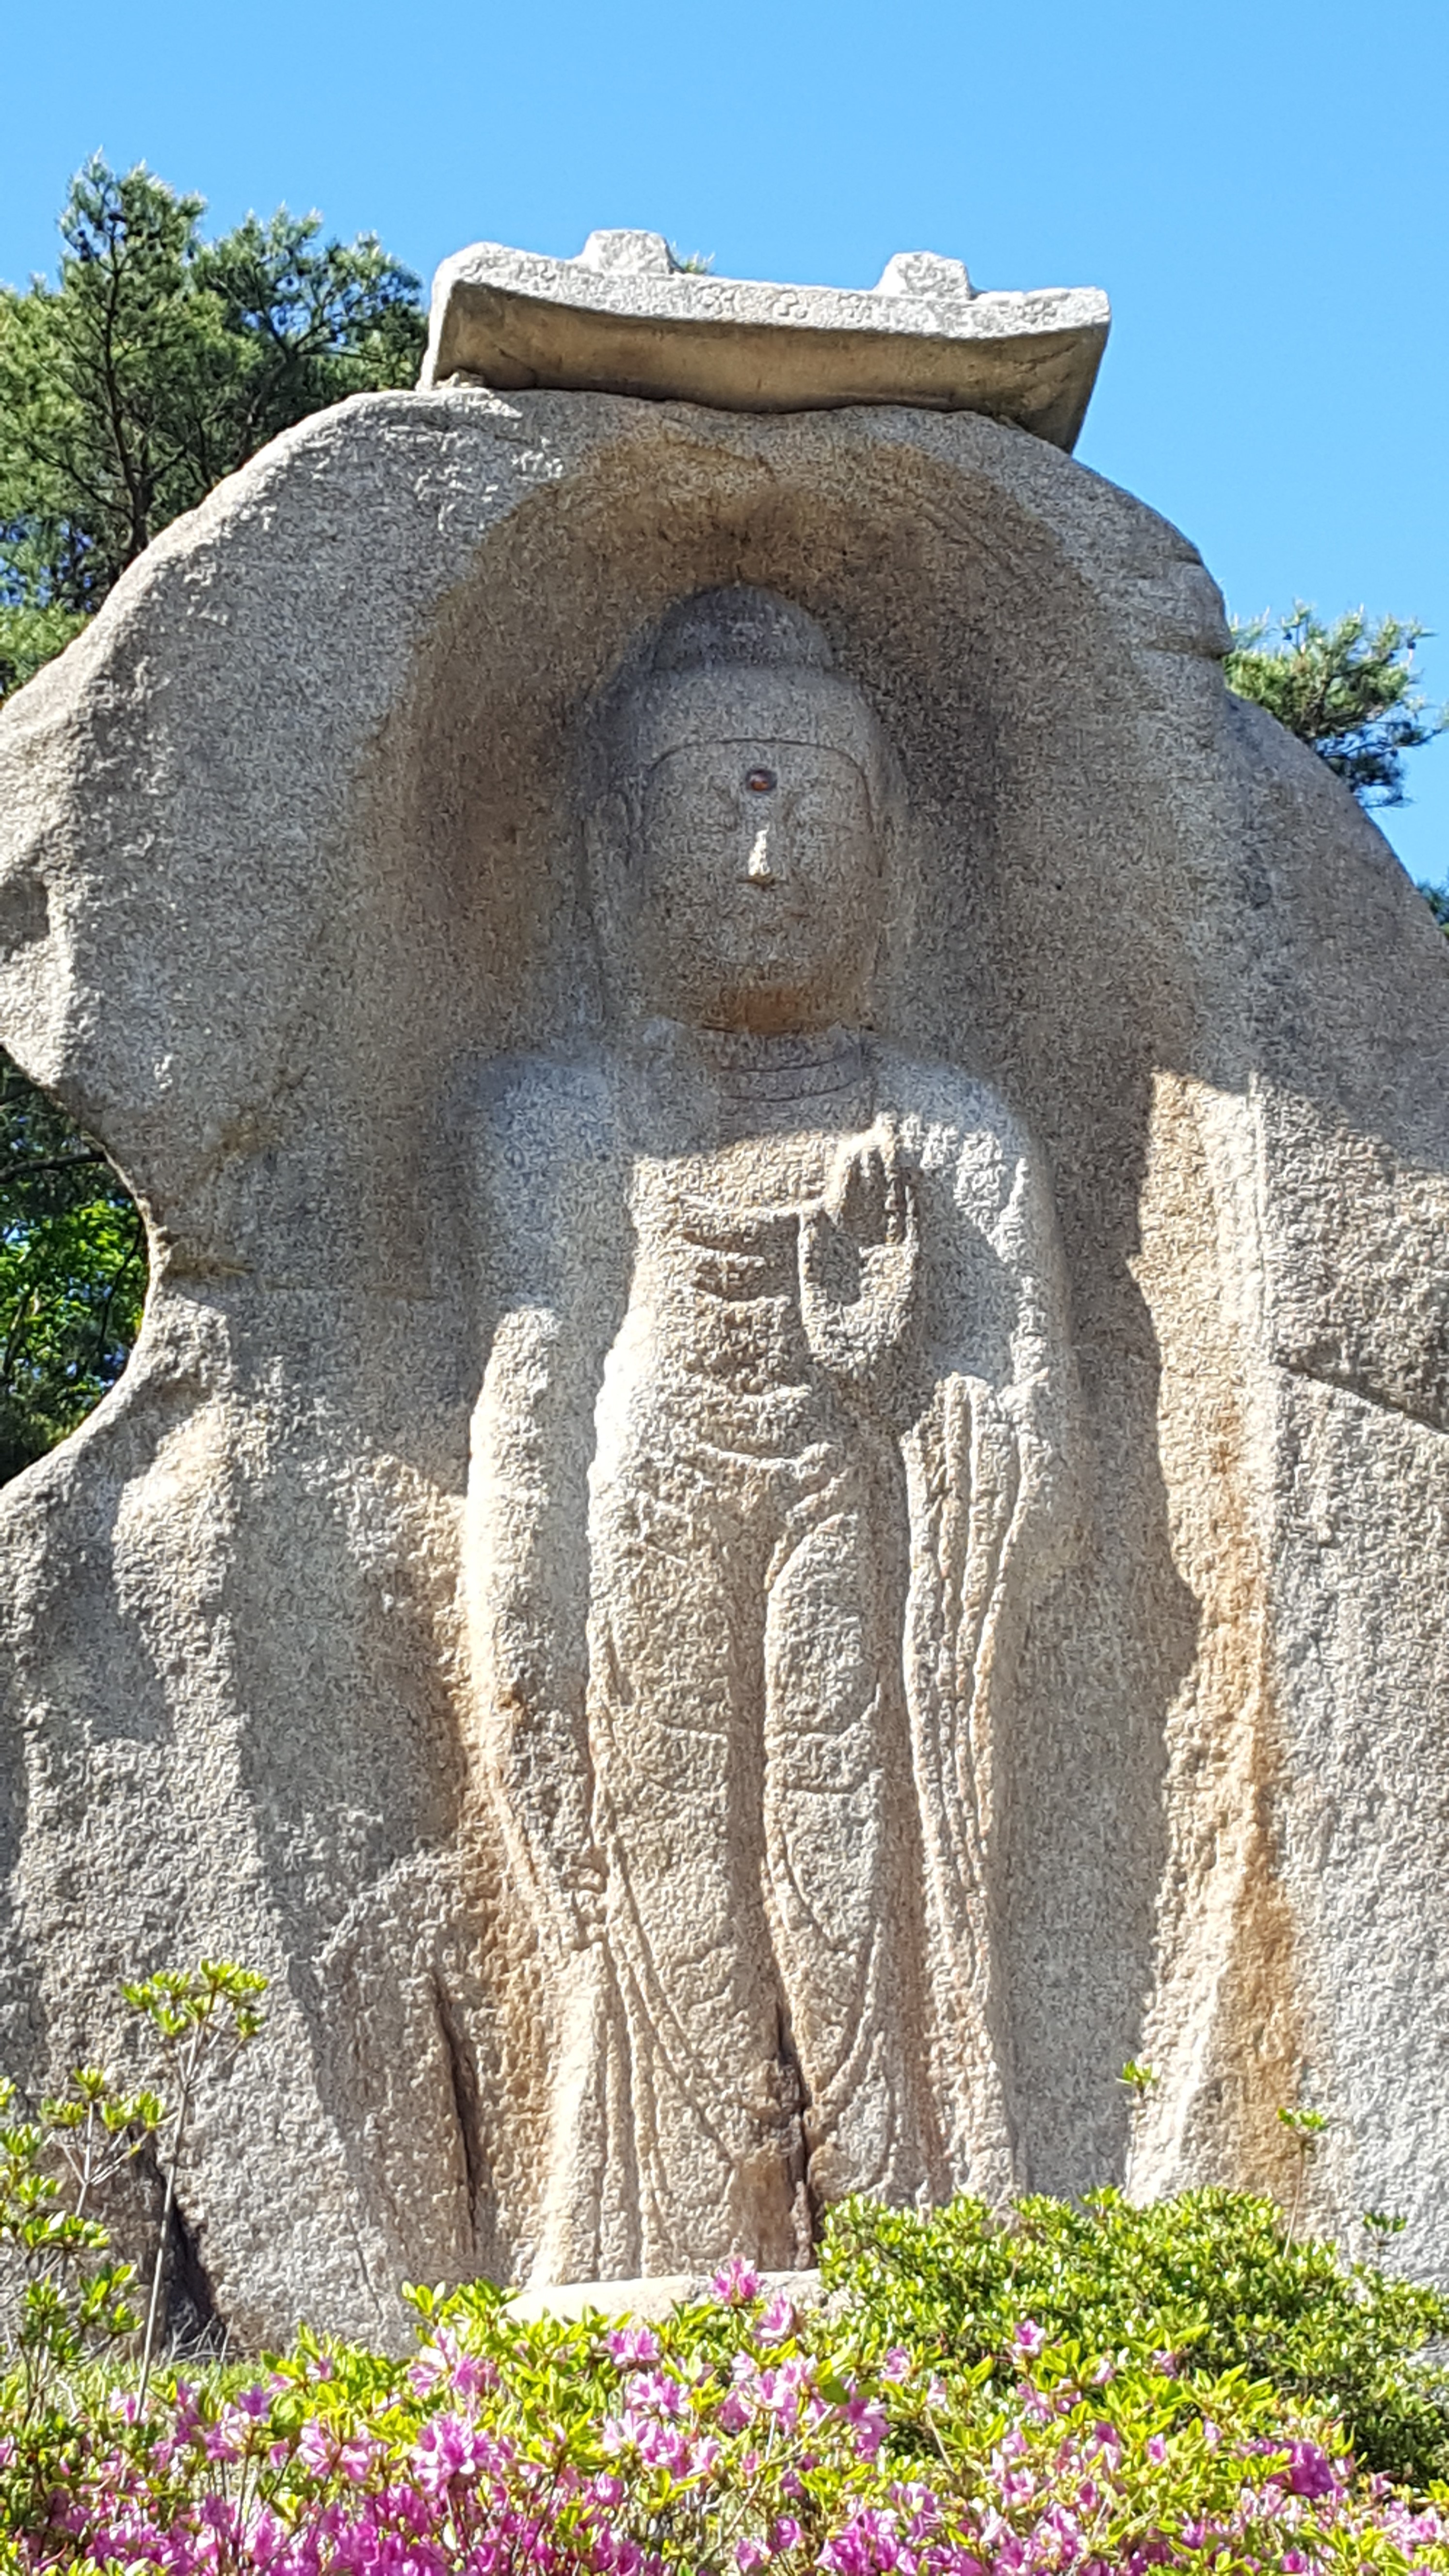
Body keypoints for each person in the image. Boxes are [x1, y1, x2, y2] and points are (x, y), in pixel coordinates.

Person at [464, 587, 1074, 2280]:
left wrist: (894, 1387)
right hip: (645, 1528)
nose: (761, 866)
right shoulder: (558, 1123)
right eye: (712, 818)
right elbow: (530, 1400)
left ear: (893, 857)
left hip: (856, 1537)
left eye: (814, 817)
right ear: (614, 855)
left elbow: (1040, 1460)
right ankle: (656, 2262)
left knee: (847, 1863)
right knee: (666, 1886)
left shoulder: (952, 1134)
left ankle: (909, 2247)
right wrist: (522, 1649)